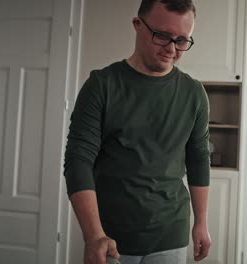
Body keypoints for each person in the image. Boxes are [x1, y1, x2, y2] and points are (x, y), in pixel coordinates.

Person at [63, 0, 211, 263]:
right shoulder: (102, 85)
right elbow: (78, 161)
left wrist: (201, 222)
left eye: (181, 40)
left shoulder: (194, 94)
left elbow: (198, 159)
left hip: (171, 233)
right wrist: (93, 234)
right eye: (162, 36)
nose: (171, 48)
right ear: (137, 25)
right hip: (111, 238)